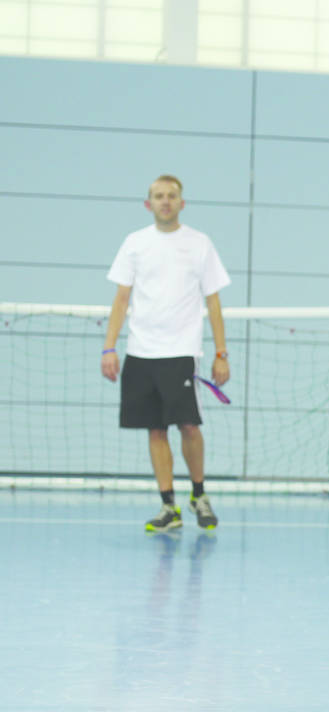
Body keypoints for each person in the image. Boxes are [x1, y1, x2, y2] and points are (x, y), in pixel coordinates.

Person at [101, 174, 231, 533]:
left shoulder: (200, 244)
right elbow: (121, 299)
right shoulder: (134, 244)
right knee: (155, 430)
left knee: (189, 425)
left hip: (182, 352)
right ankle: (168, 506)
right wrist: (109, 347)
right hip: (141, 354)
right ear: (148, 204)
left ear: (181, 202)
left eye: (171, 195)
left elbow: (214, 300)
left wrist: (222, 352)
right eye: (158, 196)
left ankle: (199, 495)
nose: (165, 201)